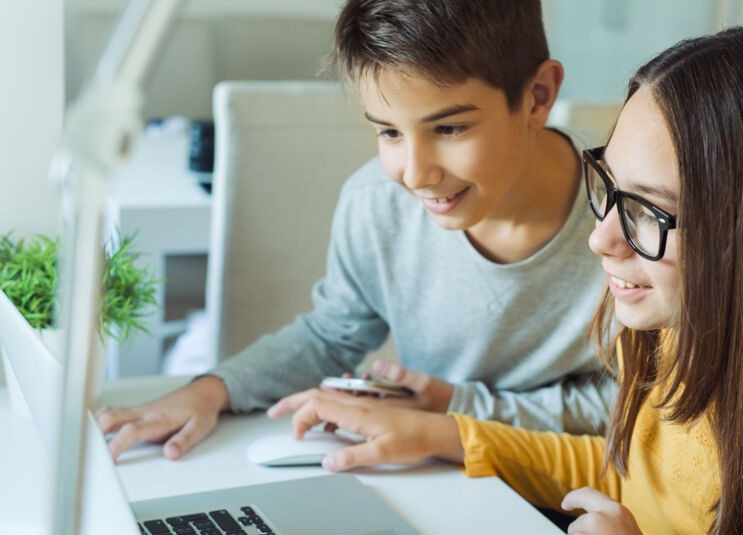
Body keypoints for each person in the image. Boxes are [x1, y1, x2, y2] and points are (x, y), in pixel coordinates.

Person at [267, 22, 743, 534]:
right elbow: (625, 474)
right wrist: (444, 435)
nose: (601, 237)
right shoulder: (678, 325)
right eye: (609, 188)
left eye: (648, 211)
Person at [97, 0, 616, 460]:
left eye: (450, 128)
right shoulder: (375, 203)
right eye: (388, 131)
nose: (415, 175)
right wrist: (209, 391)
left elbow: (644, 405)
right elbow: (331, 335)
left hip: (572, 486)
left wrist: (458, 408)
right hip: (433, 469)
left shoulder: (635, 217)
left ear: (537, 96)